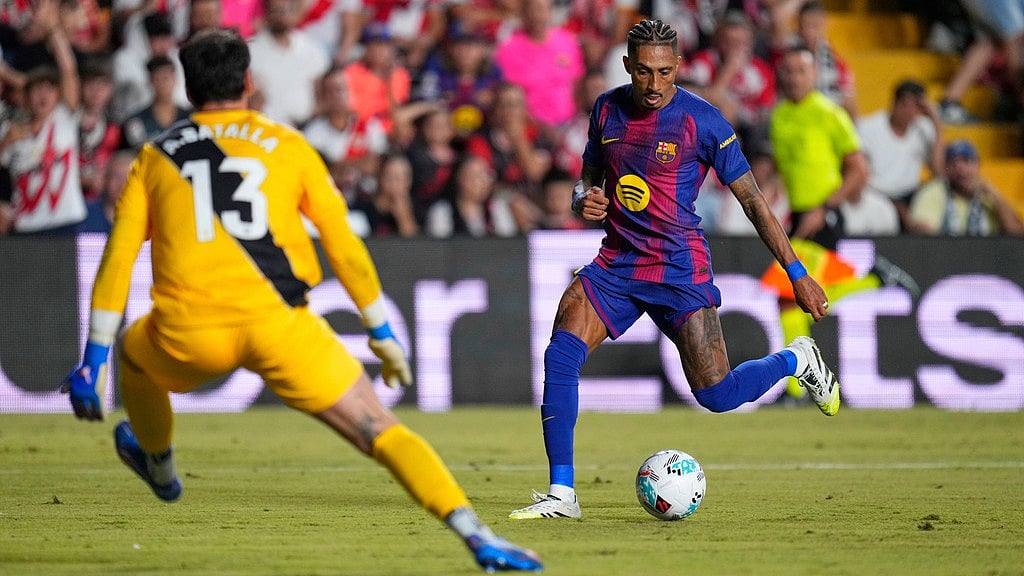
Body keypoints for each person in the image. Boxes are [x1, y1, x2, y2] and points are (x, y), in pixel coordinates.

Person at [59, 29, 543, 573]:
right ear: (248, 82)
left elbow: (117, 261)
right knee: (378, 428)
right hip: (280, 328)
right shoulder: (289, 146)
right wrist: (381, 332)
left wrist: (92, 361)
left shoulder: (153, 157)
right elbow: (344, 247)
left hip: (189, 333)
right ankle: (477, 535)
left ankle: (161, 466)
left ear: (190, 90)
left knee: (131, 353)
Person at [507, 19, 838, 521]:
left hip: (679, 268)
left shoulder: (703, 121)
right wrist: (584, 200)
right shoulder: (606, 109)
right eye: (643, 72)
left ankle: (798, 360)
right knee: (560, 355)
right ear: (627, 67)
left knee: (718, 395)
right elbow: (587, 179)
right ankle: (563, 494)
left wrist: (797, 275)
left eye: (664, 72)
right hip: (617, 263)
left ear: (678, 66)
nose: (655, 84)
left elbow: (752, 202)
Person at [854, 79, 944, 234]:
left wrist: (936, 123)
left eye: (917, 106)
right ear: (894, 104)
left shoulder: (923, 128)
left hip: (910, 195)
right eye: (906, 104)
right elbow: (858, 169)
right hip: (876, 192)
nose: (911, 111)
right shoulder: (869, 127)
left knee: (938, 191)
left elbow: (938, 171)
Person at [908, 139, 1024, 236]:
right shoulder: (934, 191)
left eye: (966, 161)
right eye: (953, 163)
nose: (960, 168)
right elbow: (922, 231)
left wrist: (995, 197)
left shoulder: (988, 197)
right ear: (946, 169)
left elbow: (1017, 233)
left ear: (978, 165)